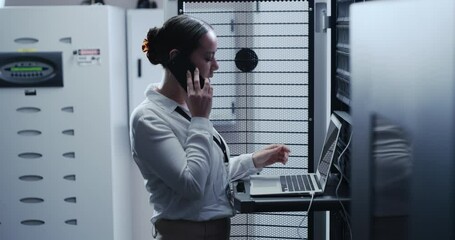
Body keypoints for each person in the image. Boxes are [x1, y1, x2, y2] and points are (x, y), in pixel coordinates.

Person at [129, 14, 290, 240]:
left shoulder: (187, 108)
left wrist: (253, 161)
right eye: (208, 57)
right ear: (177, 59)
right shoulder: (148, 118)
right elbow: (193, 185)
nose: (216, 66)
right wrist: (200, 119)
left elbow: (208, 173)